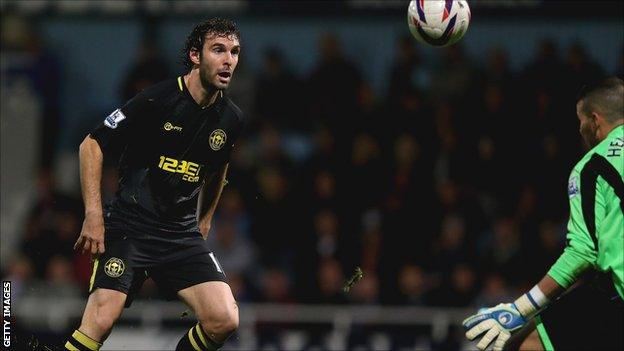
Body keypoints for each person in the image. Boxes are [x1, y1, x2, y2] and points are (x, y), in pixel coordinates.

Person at [56, 18, 244, 351]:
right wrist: (94, 215)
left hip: (180, 235)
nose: (228, 59)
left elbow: (220, 168)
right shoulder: (157, 99)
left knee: (224, 318)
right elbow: (91, 145)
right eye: (218, 50)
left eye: (234, 51)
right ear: (195, 55)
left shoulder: (231, 117)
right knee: (101, 319)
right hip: (131, 227)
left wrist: (205, 218)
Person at [463, 77, 623, 351]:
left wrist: (521, 308)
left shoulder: (593, 166)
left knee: (530, 343)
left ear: (594, 120)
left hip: (618, 295)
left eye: (580, 121)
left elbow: (582, 252)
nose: (580, 129)